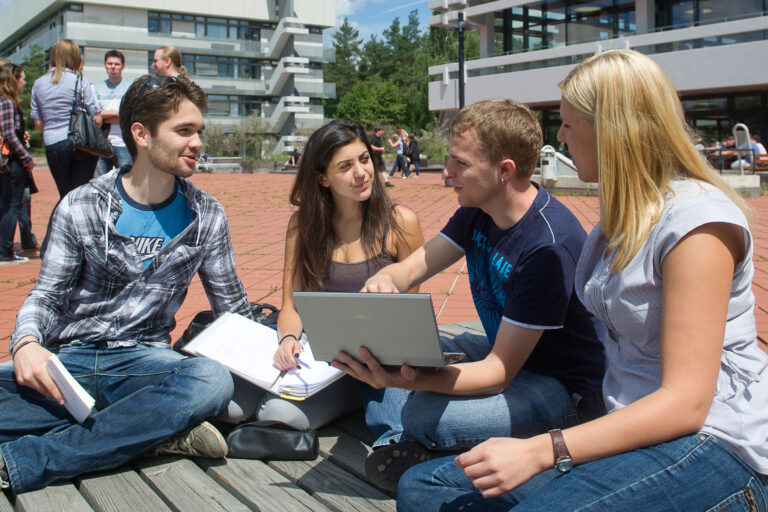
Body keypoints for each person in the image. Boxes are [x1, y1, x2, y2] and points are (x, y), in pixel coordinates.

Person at [397, 49, 768, 512]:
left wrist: (542, 448)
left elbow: (686, 404)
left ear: (613, 129)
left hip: (711, 444)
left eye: (570, 124)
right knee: (423, 489)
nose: (560, 136)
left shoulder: (697, 224)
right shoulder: (621, 219)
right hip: (626, 428)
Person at [335, 99, 606, 492]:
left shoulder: (545, 247)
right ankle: (439, 439)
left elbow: (498, 374)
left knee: (426, 417)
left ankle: (437, 443)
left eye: (460, 164)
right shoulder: (479, 207)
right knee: (409, 350)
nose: (447, 173)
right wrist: (387, 279)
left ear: (504, 171)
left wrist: (412, 381)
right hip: (508, 352)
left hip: (561, 385)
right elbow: (414, 266)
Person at [0, 74, 253, 494]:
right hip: (68, 364)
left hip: (144, 365)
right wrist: (26, 344)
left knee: (211, 380)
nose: (197, 142)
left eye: (199, 131)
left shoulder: (206, 215)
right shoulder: (81, 205)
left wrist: (285, 347)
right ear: (141, 134)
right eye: (184, 131)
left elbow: (234, 309)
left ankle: (34, 459)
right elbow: (46, 296)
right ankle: (150, 432)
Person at [219, 120, 424, 432]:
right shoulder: (303, 225)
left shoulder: (400, 222)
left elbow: (410, 316)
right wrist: (288, 338)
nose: (361, 173)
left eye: (364, 159)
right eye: (345, 166)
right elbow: (290, 305)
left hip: (377, 362)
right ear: (323, 178)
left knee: (279, 414)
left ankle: (373, 412)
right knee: (232, 405)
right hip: (316, 356)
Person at [30, 39, 102, 199]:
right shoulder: (80, 81)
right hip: (79, 143)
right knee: (78, 195)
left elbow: (39, 123)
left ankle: (59, 222)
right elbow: (96, 118)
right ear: (74, 57)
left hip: (52, 144)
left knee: (64, 194)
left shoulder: (38, 84)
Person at [0, 63, 34, 264]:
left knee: (5, 206)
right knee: (12, 206)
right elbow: (9, 134)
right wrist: (26, 158)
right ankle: (5, 251)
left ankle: (4, 249)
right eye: (22, 78)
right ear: (13, 81)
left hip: (8, 162)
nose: (24, 82)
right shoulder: (7, 103)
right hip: (11, 163)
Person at [92, 50, 133, 177]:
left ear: (123, 66)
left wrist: (103, 116)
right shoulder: (95, 88)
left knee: (127, 181)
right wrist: (116, 113)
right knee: (99, 183)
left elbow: (129, 115)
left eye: (116, 64)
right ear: (104, 65)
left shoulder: (130, 88)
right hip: (101, 143)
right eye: (110, 64)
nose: (113, 67)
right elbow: (93, 116)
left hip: (123, 143)